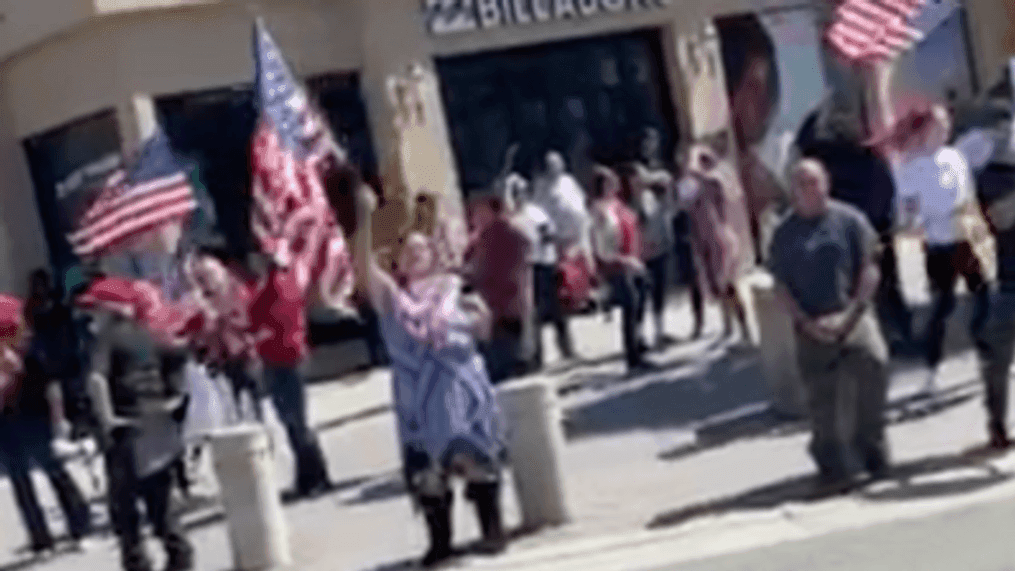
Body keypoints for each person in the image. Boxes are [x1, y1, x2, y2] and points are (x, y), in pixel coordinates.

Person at [353, 183, 508, 568]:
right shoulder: (394, 297)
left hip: (461, 386)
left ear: (434, 255)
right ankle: (441, 542)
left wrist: (472, 318)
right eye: (407, 251)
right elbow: (364, 268)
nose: (414, 255)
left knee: (478, 464)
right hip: (418, 394)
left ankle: (492, 529)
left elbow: (485, 329)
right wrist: (362, 220)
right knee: (428, 475)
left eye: (421, 249)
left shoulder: (458, 288)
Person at [769, 158, 890, 493]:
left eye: (815, 182)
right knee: (822, 396)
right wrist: (804, 322)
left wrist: (855, 311)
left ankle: (872, 446)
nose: (810, 190)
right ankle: (831, 463)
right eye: (801, 184)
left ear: (827, 184)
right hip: (811, 321)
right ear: (792, 191)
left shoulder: (850, 220)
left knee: (873, 362)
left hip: (851, 312)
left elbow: (869, 268)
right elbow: (780, 288)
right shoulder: (784, 234)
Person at [78, 274, 196, 571]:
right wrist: (173, 398)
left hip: (127, 428)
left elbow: (96, 379)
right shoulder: (147, 334)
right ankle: (180, 557)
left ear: (109, 309)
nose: (91, 316)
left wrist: (107, 420)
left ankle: (137, 564)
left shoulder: (105, 339)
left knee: (125, 508)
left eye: (94, 309)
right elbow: (178, 358)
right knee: (162, 502)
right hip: (158, 422)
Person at [796, 99, 915, 355]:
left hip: (853, 236)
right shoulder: (860, 157)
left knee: (862, 293)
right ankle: (899, 336)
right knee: (886, 289)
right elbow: (884, 189)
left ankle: (878, 340)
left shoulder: (825, 162)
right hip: (872, 231)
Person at [893, 105, 990, 393]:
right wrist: (918, 221)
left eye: (946, 124)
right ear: (923, 130)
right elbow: (909, 210)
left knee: (983, 294)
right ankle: (931, 367)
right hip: (938, 242)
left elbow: (968, 192)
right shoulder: (909, 167)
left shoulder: (955, 157)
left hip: (965, 238)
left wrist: (975, 221)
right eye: (938, 126)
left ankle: (989, 353)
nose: (944, 130)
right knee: (942, 305)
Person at [0, 293, 92, 558]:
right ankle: (41, 539)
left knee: (54, 470)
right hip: (6, 420)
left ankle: (80, 526)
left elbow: (50, 384)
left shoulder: (30, 351)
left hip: (33, 415)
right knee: (20, 480)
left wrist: (58, 419)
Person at [248, 250, 333, 498]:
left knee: (297, 420)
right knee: (291, 421)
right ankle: (307, 477)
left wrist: (260, 336)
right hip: (278, 358)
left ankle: (316, 477)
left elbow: (279, 322)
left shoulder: (279, 285)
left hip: (285, 358)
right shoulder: (274, 283)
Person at [678, 144, 753, 344]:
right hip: (703, 239)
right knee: (714, 284)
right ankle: (727, 325)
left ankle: (744, 328)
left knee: (728, 283)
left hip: (721, 238)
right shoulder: (694, 185)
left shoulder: (718, 179)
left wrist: (694, 155)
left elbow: (700, 180)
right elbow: (683, 197)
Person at [590, 166, 656, 373]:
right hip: (617, 265)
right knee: (630, 304)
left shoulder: (617, 204)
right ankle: (632, 357)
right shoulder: (600, 210)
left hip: (632, 261)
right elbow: (603, 245)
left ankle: (639, 340)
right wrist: (621, 260)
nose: (617, 184)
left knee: (640, 301)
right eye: (612, 181)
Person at [465, 193, 534, 383]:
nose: (473, 217)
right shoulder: (485, 235)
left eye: (478, 212)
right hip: (494, 306)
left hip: (505, 305)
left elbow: (499, 270)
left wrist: (471, 275)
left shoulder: (505, 233)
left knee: (506, 363)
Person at [508, 174, 576, 365]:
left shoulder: (536, 212)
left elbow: (549, 233)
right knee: (534, 313)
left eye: (521, 192)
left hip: (545, 263)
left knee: (557, 309)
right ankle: (538, 356)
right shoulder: (513, 218)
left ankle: (566, 347)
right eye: (515, 193)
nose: (519, 196)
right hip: (529, 267)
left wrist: (544, 237)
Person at [533, 151, 596, 312]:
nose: (555, 167)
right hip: (556, 237)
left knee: (581, 268)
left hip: (577, 234)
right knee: (560, 273)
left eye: (557, 163)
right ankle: (560, 304)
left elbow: (580, 203)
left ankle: (583, 298)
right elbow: (539, 209)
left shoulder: (569, 181)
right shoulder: (541, 185)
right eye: (551, 164)